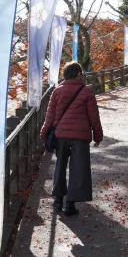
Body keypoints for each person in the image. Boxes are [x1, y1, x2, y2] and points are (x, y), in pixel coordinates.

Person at [40, 61, 103, 216]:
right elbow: (94, 117)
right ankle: (70, 204)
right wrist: (98, 135)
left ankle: (58, 201)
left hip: (61, 135)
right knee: (78, 168)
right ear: (78, 74)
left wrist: (44, 133)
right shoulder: (87, 91)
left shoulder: (57, 91)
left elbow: (50, 116)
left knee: (60, 165)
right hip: (80, 136)